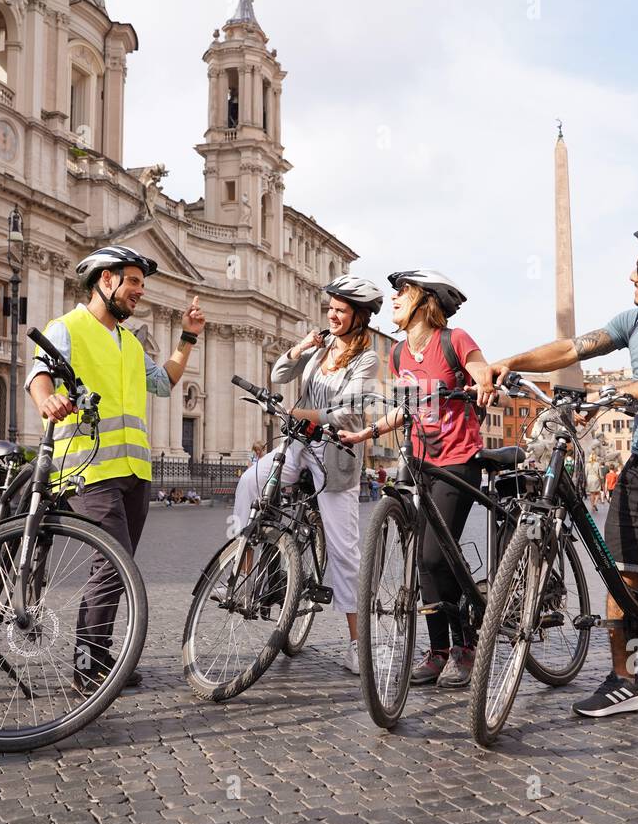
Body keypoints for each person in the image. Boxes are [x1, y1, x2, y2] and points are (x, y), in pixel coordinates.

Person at [491, 224, 638, 735]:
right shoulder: (635, 319)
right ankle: (625, 682)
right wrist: (511, 360)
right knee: (619, 574)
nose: (633, 276)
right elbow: (572, 349)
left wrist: (606, 395)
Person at [26, 244, 205, 696]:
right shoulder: (67, 327)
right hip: (85, 468)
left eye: (142, 284)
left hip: (133, 471)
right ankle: (87, 667)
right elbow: (39, 373)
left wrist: (187, 337)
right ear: (105, 280)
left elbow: (163, 382)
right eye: (133, 282)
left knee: (117, 565)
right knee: (112, 563)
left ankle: (99, 654)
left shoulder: (128, 342)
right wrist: (46, 398)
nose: (139, 292)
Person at [341, 270, 496, 688]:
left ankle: (465, 646)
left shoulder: (454, 340)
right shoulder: (398, 355)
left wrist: (482, 381)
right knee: (424, 562)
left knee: (433, 555)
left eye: (402, 293)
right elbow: (406, 410)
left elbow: (481, 368)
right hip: (419, 463)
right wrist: (366, 433)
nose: (393, 299)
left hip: (457, 461)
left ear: (425, 301)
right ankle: (438, 650)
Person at [233, 276, 384, 675]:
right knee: (250, 482)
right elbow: (279, 377)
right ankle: (246, 574)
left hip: (336, 454)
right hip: (299, 445)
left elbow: (348, 414)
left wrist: (301, 415)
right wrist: (301, 348)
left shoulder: (367, 359)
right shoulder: (322, 349)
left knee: (343, 550)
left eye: (340, 310)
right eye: (330, 309)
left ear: (359, 317)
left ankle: (357, 644)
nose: (332, 315)